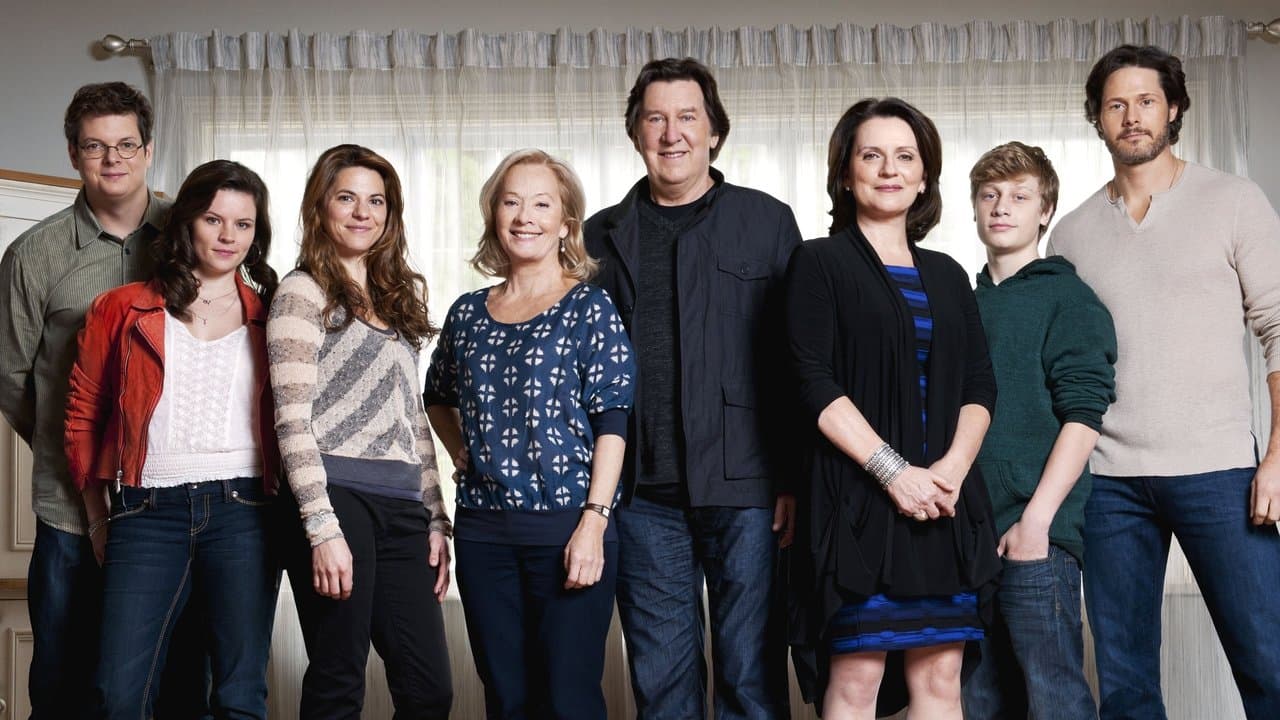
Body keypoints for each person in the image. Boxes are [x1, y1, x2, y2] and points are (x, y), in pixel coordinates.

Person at [1049, 44, 1280, 718]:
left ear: (1173, 108)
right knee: (1125, 685)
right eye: (1115, 104)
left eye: (1146, 101)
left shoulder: (1233, 201)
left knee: (1269, 661)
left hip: (1220, 471)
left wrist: (1276, 457)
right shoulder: (1070, 235)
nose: (1132, 116)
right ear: (1098, 118)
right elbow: (1064, 367)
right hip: (1108, 483)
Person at [583, 56, 802, 719]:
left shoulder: (767, 221)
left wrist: (794, 478)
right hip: (641, 495)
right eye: (656, 119)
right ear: (636, 133)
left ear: (714, 131)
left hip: (749, 490)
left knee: (750, 680)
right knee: (662, 687)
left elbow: (798, 361)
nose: (671, 133)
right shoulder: (598, 235)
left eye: (687, 117)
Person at [784, 97, 1001, 720]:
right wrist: (894, 472)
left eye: (905, 157)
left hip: (945, 506)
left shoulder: (949, 274)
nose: (889, 170)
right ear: (846, 172)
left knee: (941, 680)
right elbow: (812, 382)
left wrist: (951, 472)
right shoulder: (818, 263)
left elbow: (979, 385)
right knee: (858, 681)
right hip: (858, 506)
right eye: (871, 155)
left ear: (924, 176)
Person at [0, 81, 209, 720]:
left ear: (149, 150)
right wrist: (79, 451)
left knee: (178, 682)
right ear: (73, 154)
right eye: (95, 146)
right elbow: (12, 377)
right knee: (62, 681)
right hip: (68, 508)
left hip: (175, 503)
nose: (112, 159)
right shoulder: (32, 255)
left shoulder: (195, 236)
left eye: (126, 145)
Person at [63, 159, 281, 719]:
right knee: (117, 693)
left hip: (245, 511)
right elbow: (83, 413)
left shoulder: (272, 317)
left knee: (238, 695)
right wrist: (97, 515)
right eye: (213, 219)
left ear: (256, 233)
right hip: (146, 511)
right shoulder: (122, 307)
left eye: (243, 224)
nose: (228, 236)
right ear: (187, 222)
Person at [424, 148, 635, 719]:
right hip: (484, 534)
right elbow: (436, 395)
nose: (525, 217)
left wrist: (594, 522)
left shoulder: (590, 307)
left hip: (569, 528)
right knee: (506, 699)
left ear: (566, 223)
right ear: (494, 214)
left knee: (568, 700)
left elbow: (613, 420)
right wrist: (459, 448)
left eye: (542, 204)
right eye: (511, 202)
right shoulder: (468, 313)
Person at [268, 143, 453, 718]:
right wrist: (321, 528)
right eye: (346, 198)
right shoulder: (302, 292)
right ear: (320, 207)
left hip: (402, 508)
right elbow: (291, 418)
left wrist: (435, 516)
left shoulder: (396, 301)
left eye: (376, 201)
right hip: (335, 500)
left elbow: (412, 418)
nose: (361, 212)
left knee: (429, 691)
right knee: (339, 677)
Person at [959, 142, 1116, 720]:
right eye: (990, 195)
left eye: (1020, 196)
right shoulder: (961, 303)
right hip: (964, 539)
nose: (1002, 207)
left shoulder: (1068, 298)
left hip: (1036, 537)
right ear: (975, 208)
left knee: (1054, 698)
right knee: (978, 699)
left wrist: (1038, 523)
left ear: (1045, 211)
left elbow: (1084, 417)